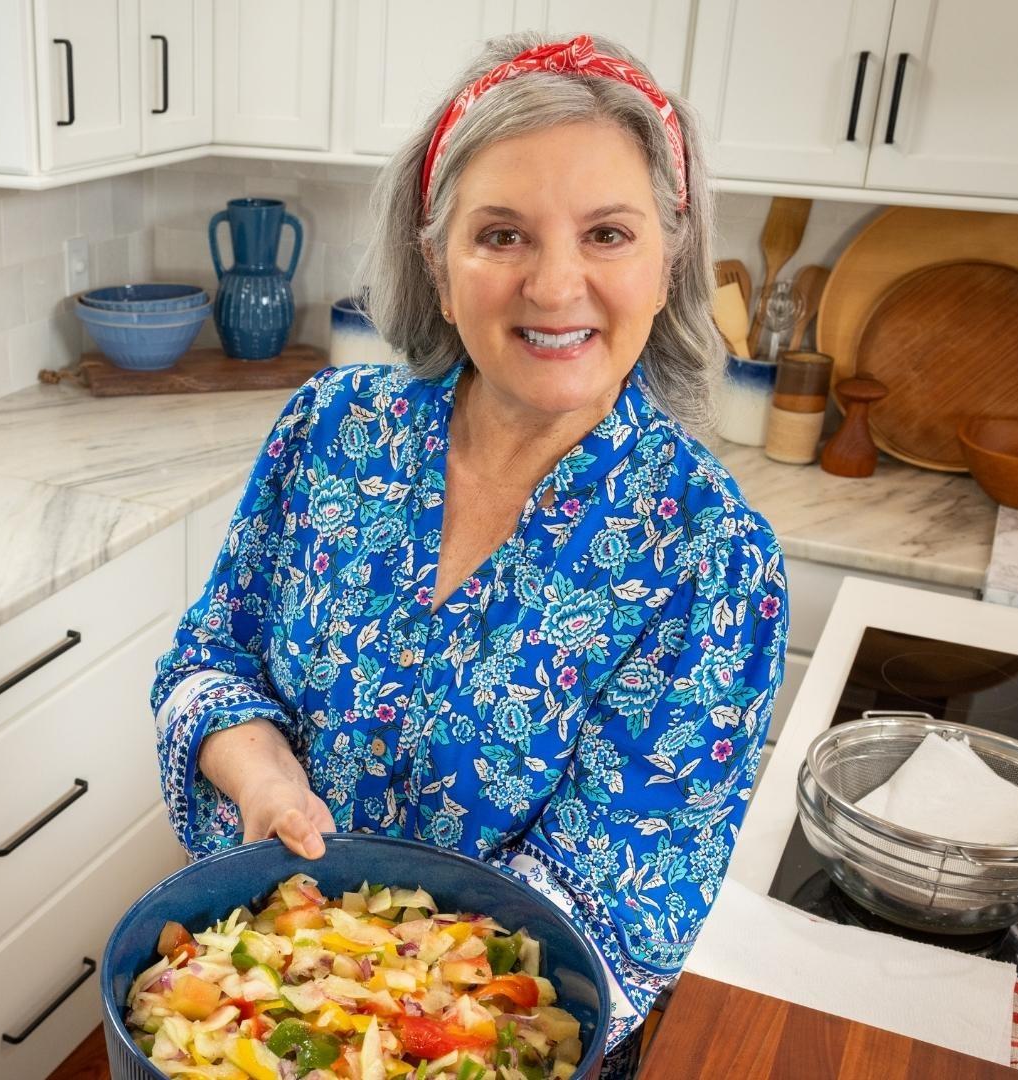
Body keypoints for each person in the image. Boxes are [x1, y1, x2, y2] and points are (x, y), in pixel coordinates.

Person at [149, 31, 788, 1053]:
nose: (553, 284)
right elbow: (209, 663)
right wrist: (262, 779)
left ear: (670, 264)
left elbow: (604, 914)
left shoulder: (711, 561)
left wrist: (354, 1016)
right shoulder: (330, 432)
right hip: (250, 1016)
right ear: (437, 265)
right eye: (502, 235)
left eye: (608, 234)